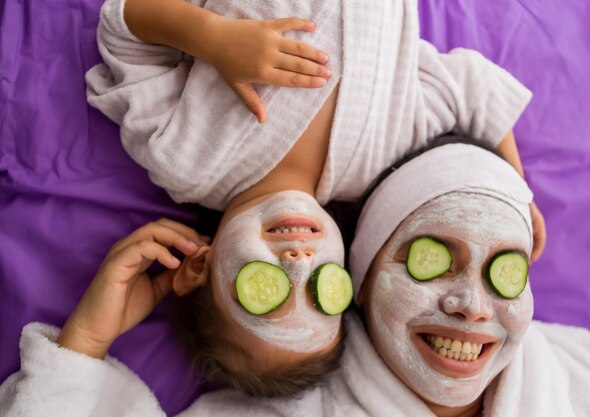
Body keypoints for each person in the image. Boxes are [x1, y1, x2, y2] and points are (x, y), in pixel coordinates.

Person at [84, 0, 546, 396]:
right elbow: (469, 90)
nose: (299, 261)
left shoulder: (184, 160)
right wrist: (514, 187)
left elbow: (123, 28)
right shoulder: (378, 163)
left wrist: (212, 37)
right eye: (322, 292)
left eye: (266, 289)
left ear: (199, 267)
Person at [1, 142, 590, 417]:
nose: (469, 305)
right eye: (432, 257)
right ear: (361, 273)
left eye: (503, 268)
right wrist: (83, 343)